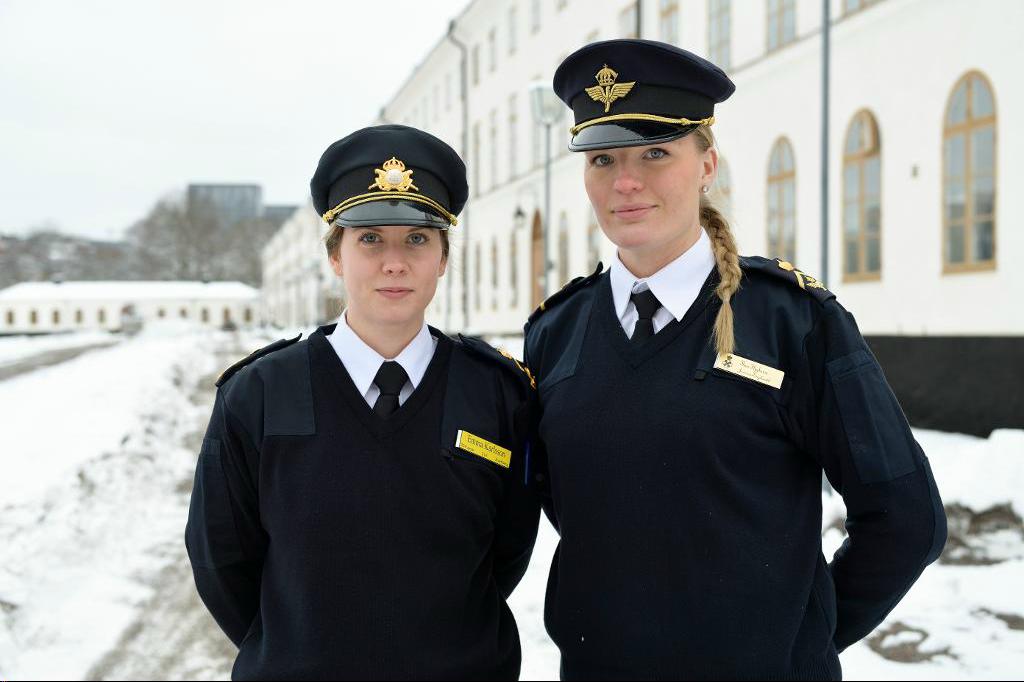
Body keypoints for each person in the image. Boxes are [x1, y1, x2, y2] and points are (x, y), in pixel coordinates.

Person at [523, 39, 947, 680]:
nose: (626, 181)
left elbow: (906, 520)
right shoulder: (556, 334)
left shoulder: (793, 321)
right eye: (603, 158)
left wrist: (804, 636)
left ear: (707, 164)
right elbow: (574, 511)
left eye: (656, 152)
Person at [185, 124, 540, 680]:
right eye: (370, 238)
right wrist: (300, 647)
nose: (393, 262)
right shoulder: (260, 393)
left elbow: (507, 550)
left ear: (443, 257)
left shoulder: (497, 392)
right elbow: (221, 559)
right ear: (335, 255)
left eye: (417, 239)